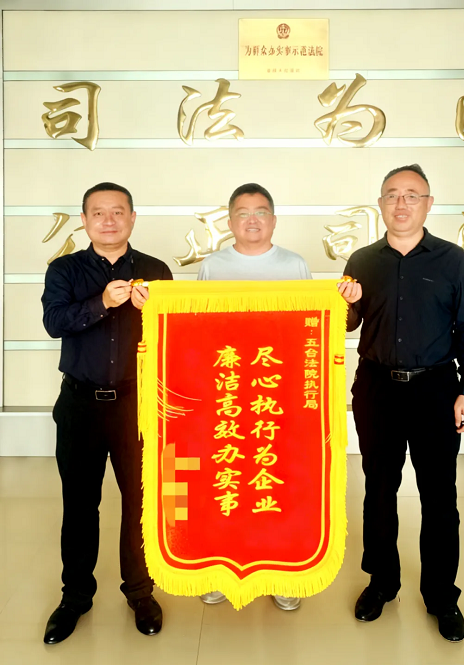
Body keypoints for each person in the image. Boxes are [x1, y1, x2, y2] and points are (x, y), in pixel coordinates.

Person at [338, 164, 464, 643]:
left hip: (436, 389)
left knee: (439, 495)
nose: (401, 204)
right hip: (377, 388)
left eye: (412, 195)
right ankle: (382, 582)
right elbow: (346, 324)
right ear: (380, 203)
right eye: (392, 195)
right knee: (379, 489)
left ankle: (441, 594)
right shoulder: (362, 260)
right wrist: (346, 304)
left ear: (428, 203)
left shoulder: (451, 260)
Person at [41, 182, 173, 644]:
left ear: (133, 218)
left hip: (137, 405)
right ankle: (75, 596)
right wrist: (104, 302)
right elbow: (54, 322)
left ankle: (140, 591)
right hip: (80, 404)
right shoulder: (65, 269)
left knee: (140, 502)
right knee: (80, 505)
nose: (109, 220)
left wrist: (156, 313)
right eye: (99, 213)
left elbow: (174, 335)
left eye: (118, 211)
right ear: (84, 221)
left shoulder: (156, 271)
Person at [200, 182, 311, 610]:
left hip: (277, 395)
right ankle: (221, 568)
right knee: (227, 481)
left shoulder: (295, 265)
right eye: (243, 213)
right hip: (228, 394)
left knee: (277, 485)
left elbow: (309, 327)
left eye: (261, 212)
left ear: (273, 220)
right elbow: (198, 328)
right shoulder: (213, 266)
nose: (252, 220)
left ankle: (281, 572)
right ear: (229, 221)